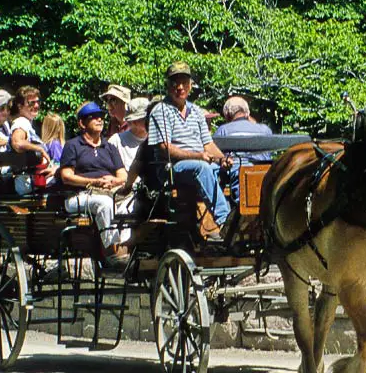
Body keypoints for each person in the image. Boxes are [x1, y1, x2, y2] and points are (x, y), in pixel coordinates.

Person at [142, 61, 236, 231]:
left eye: (184, 82)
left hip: (201, 162)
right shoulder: (161, 111)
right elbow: (165, 148)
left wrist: (223, 158)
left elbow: (208, 144)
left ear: (191, 85)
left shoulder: (197, 112)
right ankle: (225, 221)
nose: (180, 87)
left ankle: (244, 218)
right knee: (202, 168)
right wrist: (197, 156)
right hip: (172, 168)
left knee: (239, 167)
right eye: (174, 83)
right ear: (167, 85)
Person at [58, 102, 128, 265]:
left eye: (101, 117)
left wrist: (113, 181)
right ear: (82, 123)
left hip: (110, 191)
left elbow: (123, 174)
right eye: (93, 117)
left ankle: (127, 246)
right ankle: (111, 251)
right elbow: (66, 176)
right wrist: (94, 182)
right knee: (104, 203)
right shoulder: (73, 146)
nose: (99, 120)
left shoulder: (109, 146)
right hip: (79, 195)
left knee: (131, 202)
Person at [108, 97, 150, 244]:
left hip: (150, 191)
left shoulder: (155, 140)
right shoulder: (116, 141)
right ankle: (124, 248)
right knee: (127, 210)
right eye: (138, 120)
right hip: (126, 192)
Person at [9, 86, 56, 194]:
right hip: (30, 183)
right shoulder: (21, 122)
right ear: (20, 106)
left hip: (36, 180)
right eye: (31, 103)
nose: (36, 106)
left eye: (37, 102)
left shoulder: (27, 124)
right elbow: (17, 142)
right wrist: (39, 149)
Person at [214, 96, 274, 166]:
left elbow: (214, 154)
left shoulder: (223, 130)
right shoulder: (265, 130)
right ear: (247, 113)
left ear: (227, 114)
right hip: (265, 173)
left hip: (238, 172)